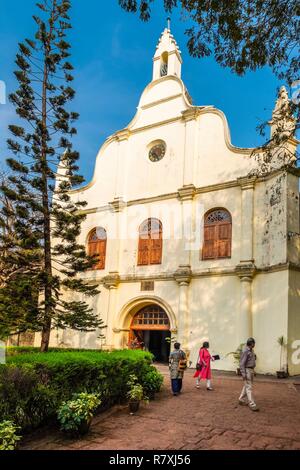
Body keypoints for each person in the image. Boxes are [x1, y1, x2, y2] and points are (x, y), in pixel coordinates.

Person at [239, 337, 259, 411]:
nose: (254, 344)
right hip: (247, 370)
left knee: (247, 386)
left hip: (251, 370)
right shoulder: (245, 351)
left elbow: (251, 362)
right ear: (251, 343)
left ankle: (241, 399)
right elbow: (242, 364)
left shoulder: (251, 350)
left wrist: (254, 371)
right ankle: (252, 403)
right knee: (249, 387)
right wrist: (243, 374)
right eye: (254, 343)